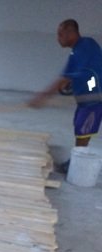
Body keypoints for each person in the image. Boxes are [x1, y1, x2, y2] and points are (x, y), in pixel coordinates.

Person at [29, 19, 102, 173]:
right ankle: (76, 160)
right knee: (80, 126)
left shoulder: (84, 47)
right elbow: (79, 73)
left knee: (84, 129)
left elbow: (66, 77)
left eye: (60, 34)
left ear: (71, 33)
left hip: (94, 98)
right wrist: (71, 85)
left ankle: (76, 165)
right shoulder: (78, 50)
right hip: (87, 97)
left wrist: (42, 97)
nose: (58, 38)